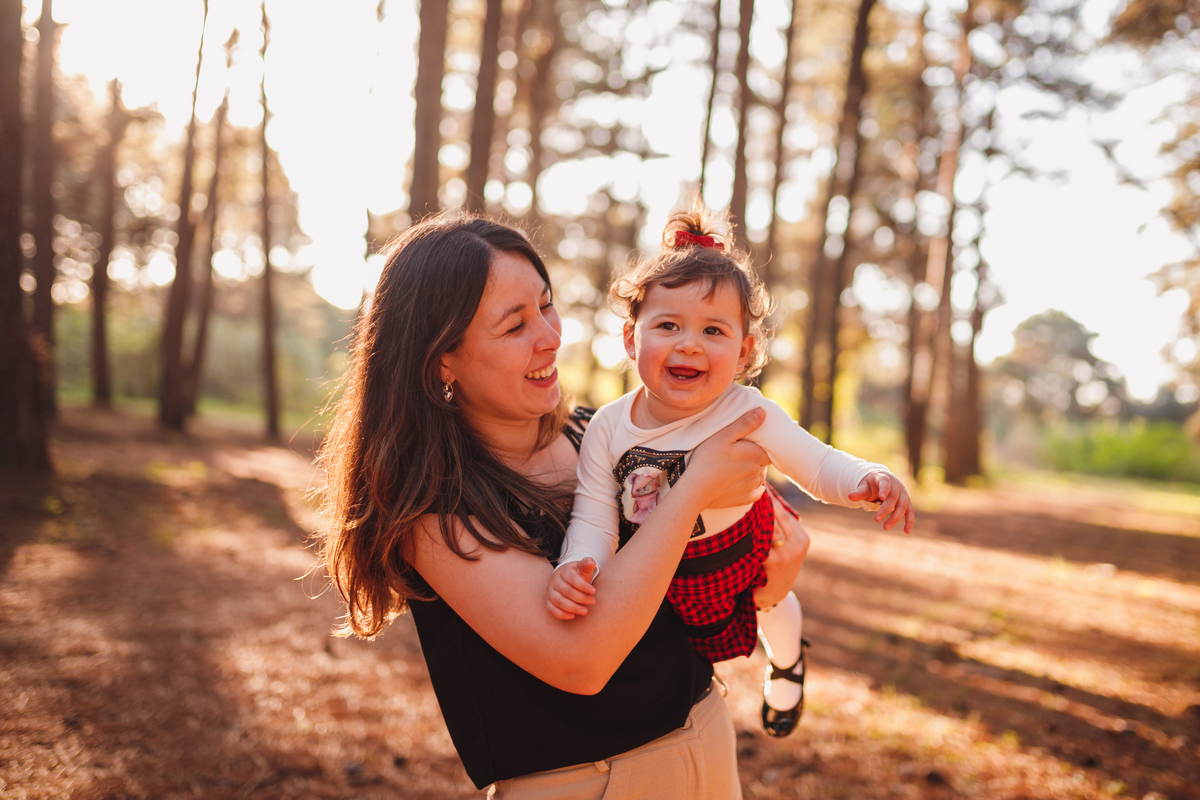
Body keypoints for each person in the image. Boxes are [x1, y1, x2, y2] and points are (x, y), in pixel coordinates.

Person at [317, 213, 810, 799]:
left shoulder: (595, 435)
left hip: (707, 739)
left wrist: (769, 589)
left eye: (546, 306)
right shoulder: (431, 513)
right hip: (588, 784)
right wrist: (694, 488)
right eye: (513, 326)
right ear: (441, 360)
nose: (550, 336)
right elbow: (582, 662)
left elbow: (679, 596)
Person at [546, 203, 915, 738]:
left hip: (749, 546)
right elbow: (596, 519)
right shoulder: (607, 427)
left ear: (743, 352)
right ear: (631, 339)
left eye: (713, 331)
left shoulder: (746, 412)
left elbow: (815, 463)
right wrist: (577, 565)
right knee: (687, 645)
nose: (689, 343)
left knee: (775, 603)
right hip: (671, 574)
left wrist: (865, 479)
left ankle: (787, 664)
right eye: (667, 325)